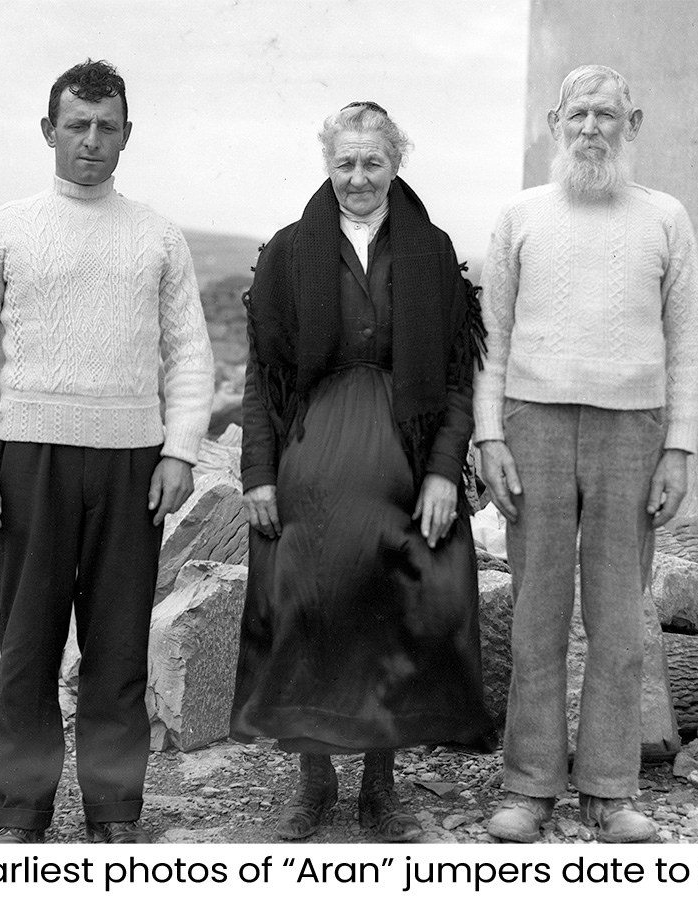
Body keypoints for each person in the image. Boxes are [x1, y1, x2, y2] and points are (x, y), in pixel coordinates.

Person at [0, 59, 214, 844]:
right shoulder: (1, 230)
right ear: (49, 130)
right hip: (30, 462)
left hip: (133, 462)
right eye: (76, 125)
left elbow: (189, 353)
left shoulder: (157, 234)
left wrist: (181, 450)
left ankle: (116, 811)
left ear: (128, 135)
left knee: (119, 649)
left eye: (107, 127)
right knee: (26, 650)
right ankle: (21, 813)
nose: (91, 142)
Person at [230, 101, 493, 843]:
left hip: (409, 465)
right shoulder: (288, 252)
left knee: (401, 607)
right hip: (310, 457)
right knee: (308, 603)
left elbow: (453, 376)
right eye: (344, 162)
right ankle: (312, 780)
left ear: (395, 162)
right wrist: (258, 474)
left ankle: (381, 786)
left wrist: (445, 471)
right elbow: (263, 376)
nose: (357, 177)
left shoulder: (432, 252)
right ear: (327, 163)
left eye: (372, 162)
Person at [477, 65, 698, 843]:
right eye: (578, 113)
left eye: (608, 115)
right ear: (555, 121)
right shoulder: (519, 215)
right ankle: (530, 786)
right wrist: (489, 435)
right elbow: (492, 338)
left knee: (618, 620)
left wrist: (679, 448)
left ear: (632, 124)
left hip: (631, 432)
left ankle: (610, 790)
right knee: (537, 615)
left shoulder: (666, 217)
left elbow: (690, 343)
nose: (591, 128)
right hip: (533, 423)